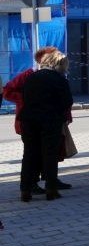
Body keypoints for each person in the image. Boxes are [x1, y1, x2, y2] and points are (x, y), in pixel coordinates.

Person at [4, 46, 70, 194]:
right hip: (34, 118)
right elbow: (8, 91)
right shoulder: (28, 74)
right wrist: (27, 100)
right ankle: (34, 183)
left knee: (49, 151)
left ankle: (49, 180)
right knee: (37, 152)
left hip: (37, 118)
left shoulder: (48, 75)